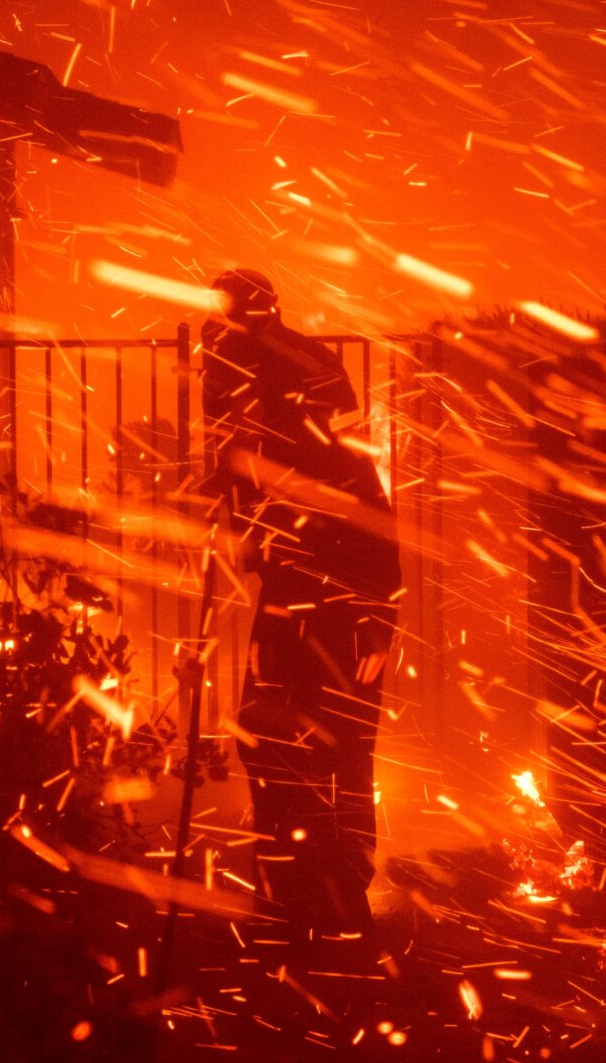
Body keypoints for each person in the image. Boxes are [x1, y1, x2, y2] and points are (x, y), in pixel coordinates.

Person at [200, 269, 401, 939]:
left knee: (329, 750)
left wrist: (376, 623)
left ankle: (326, 886)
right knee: (294, 745)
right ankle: (302, 883)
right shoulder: (268, 428)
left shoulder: (300, 432)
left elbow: (372, 529)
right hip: (303, 613)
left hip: (331, 615)